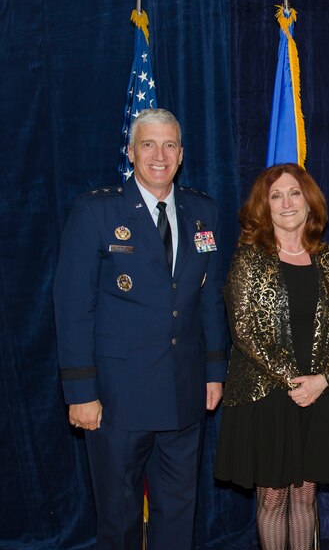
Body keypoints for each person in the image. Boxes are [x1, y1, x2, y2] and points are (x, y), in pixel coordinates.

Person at [53, 108, 227, 549]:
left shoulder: (202, 211)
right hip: (116, 398)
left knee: (178, 513)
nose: (159, 154)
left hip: (184, 393)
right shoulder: (96, 211)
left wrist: (213, 371)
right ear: (130, 152)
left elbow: (208, 298)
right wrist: (80, 391)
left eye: (170, 144)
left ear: (182, 154)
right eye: (148, 144)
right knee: (119, 517)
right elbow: (74, 307)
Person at [214, 164, 329, 549]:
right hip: (267, 396)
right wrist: (294, 380)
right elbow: (244, 331)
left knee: (306, 496)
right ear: (264, 208)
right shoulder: (249, 259)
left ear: (310, 203)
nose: (286, 202)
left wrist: (323, 379)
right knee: (274, 497)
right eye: (275, 196)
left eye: (294, 193)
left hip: (318, 394)